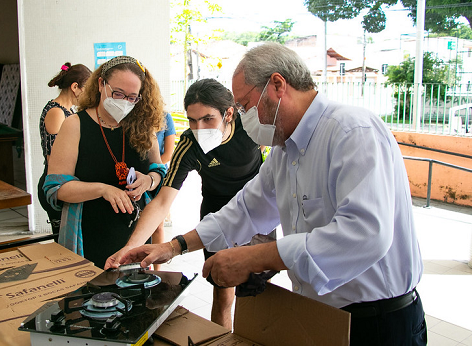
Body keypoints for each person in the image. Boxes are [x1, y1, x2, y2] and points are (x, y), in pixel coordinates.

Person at [106, 43, 427, 345]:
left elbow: (365, 234)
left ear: (277, 86)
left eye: (245, 105)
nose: (244, 116)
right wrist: (172, 247)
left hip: (379, 321)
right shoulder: (285, 152)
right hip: (323, 312)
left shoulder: (352, 132)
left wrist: (253, 256)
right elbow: (244, 210)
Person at [106, 78, 263, 329]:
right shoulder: (189, 145)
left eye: (208, 119)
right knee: (224, 291)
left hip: (258, 209)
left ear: (229, 113)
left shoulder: (251, 127)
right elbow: (161, 202)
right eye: (192, 120)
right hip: (217, 214)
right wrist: (131, 247)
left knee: (257, 290)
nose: (199, 127)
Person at [43, 56, 166, 269]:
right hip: (89, 233)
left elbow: (159, 172)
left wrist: (149, 180)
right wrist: (102, 190)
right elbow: (56, 188)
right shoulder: (75, 125)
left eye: (132, 97)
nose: (124, 102)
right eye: (118, 93)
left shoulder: (143, 127)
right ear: (101, 84)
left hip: (135, 236)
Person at [38, 63, 91, 236]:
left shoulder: (68, 110)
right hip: (55, 183)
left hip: (66, 182)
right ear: (75, 87)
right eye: (87, 89)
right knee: (63, 246)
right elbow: (54, 156)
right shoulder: (56, 112)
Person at [151, 111, 177, 270]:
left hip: (158, 176)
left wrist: (152, 173)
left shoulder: (164, 117)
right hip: (132, 177)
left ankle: (157, 272)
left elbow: (168, 154)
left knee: (157, 226)